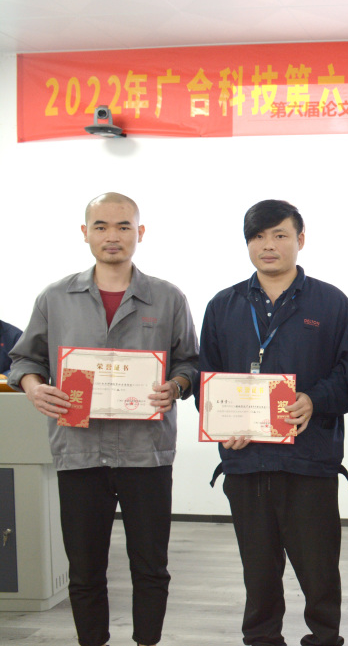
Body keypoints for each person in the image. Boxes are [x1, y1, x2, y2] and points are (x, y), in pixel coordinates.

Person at [7, 192, 199, 646]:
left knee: (151, 566)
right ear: (85, 233)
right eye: (101, 226)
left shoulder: (168, 297)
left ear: (140, 232)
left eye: (123, 226)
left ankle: (147, 641)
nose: (112, 236)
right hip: (79, 450)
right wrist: (34, 387)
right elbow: (24, 359)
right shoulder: (55, 297)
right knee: (85, 568)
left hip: (146, 453)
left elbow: (190, 362)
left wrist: (176, 386)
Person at [198, 199, 348, 646]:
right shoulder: (223, 305)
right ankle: (262, 639)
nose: (268, 245)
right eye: (258, 236)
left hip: (309, 461)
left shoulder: (331, 302)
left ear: (300, 239)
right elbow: (206, 377)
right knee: (258, 574)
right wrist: (220, 425)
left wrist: (313, 400)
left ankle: (324, 639)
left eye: (279, 235)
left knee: (319, 572)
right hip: (245, 462)